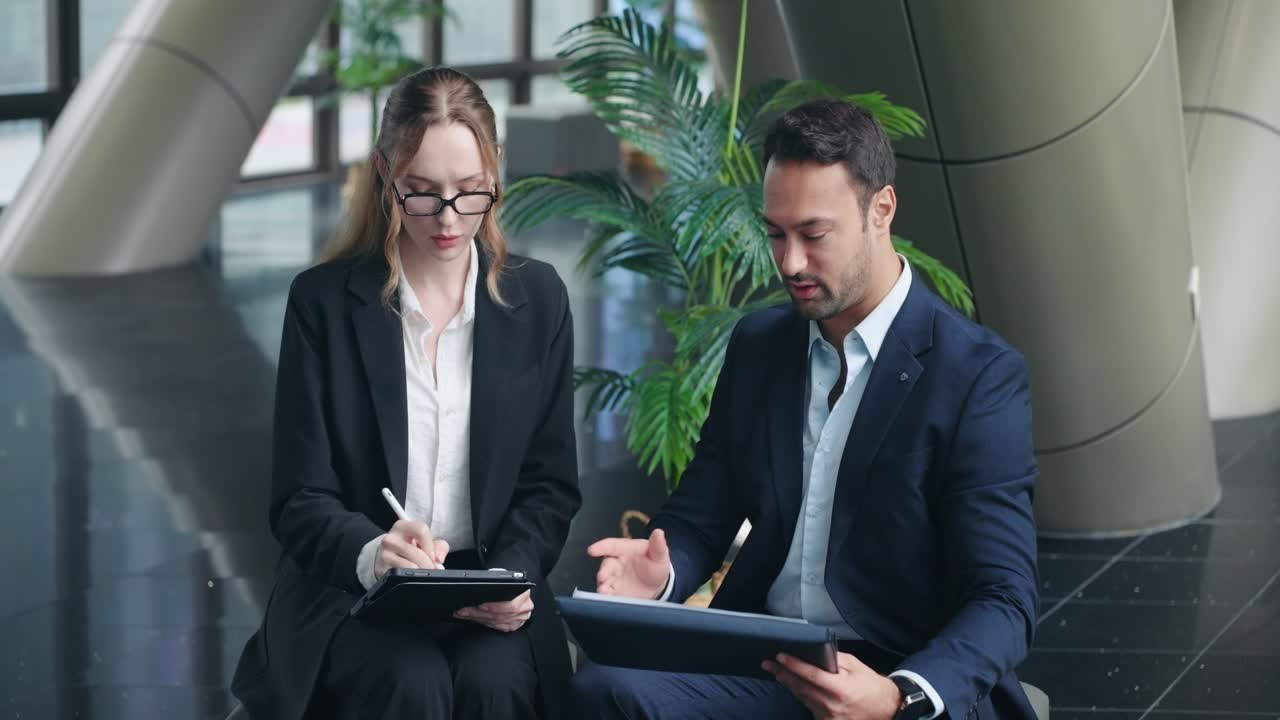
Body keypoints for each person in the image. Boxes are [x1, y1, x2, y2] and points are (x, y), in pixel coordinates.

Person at [571, 98, 1040, 720]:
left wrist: (899, 694)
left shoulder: (977, 374)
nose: (790, 262)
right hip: (768, 661)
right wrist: (663, 575)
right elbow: (700, 518)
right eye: (775, 234)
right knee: (602, 687)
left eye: (814, 235)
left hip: (893, 669)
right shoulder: (760, 346)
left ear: (881, 210)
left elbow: (1004, 598)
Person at [230, 66, 580, 720]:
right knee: (408, 682)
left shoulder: (539, 301)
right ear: (385, 174)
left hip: (487, 578)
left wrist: (509, 574)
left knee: (495, 683)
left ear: (495, 170)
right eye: (421, 193)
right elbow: (301, 497)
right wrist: (372, 554)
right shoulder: (323, 304)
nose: (448, 219)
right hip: (353, 589)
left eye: (470, 192)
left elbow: (549, 484)